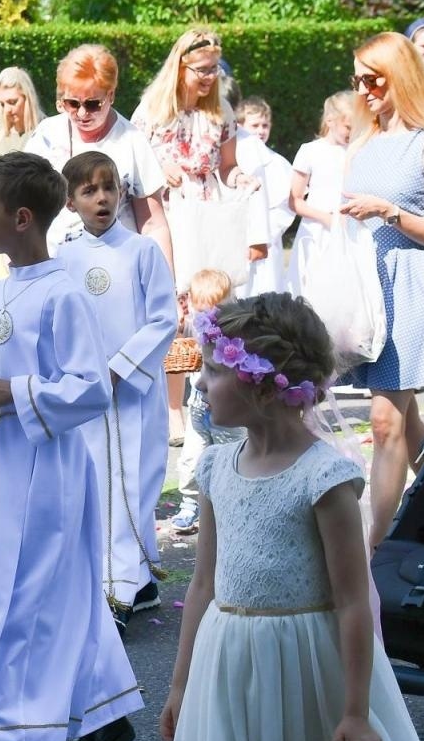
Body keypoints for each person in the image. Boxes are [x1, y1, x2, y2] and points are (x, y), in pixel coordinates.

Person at [155, 293, 424, 741]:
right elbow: (203, 584)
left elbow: (353, 599)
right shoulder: (215, 467)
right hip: (228, 663)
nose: (201, 384)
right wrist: (180, 683)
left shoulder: (324, 477)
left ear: (262, 383)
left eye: (213, 370)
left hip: (311, 665)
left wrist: (356, 710)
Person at [0, 152, 143, 741]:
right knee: (64, 595)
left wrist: (16, 391)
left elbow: (89, 388)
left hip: (49, 473)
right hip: (3, 466)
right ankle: (106, 713)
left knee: (18, 602)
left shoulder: (64, 293)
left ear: (21, 218)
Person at [340, 32, 424, 547]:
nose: (365, 90)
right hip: (370, 287)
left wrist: (389, 210)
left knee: (386, 420)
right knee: (407, 418)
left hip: (411, 283)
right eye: (358, 80)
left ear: (402, 77)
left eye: (374, 79)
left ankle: (376, 552)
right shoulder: (362, 142)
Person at [58, 151, 178, 628]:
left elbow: (163, 318)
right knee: (96, 483)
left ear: (123, 192)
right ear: (70, 202)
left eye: (109, 188)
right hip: (85, 392)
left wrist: (119, 368)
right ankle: (137, 580)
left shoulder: (142, 251)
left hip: (132, 392)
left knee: (130, 483)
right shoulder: (64, 256)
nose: (101, 198)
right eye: (89, 190)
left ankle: (119, 590)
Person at [126, 31, 244, 438]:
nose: (210, 78)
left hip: (207, 213)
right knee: (176, 312)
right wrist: (161, 169)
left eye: (214, 70)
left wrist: (239, 176)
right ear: (180, 67)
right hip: (170, 214)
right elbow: (134, 165)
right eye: (202, 70)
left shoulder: (221, 112)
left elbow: (227, 165)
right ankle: (172, 406)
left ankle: (213, 392)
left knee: (212, 309)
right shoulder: (152, 113)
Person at [29, 43, 174, 259]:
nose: (81, 113)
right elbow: (23, 202)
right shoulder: (46, 135)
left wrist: (165, 286)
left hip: (116, 266)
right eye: (71, 103)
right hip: (56, 266)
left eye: (93, 104)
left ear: (111, 95)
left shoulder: (131, 140)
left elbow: (153, 223)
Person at [169, 270, 245, 534]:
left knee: (230, 459)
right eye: (200, 312)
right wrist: (179, 320)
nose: (208, 319)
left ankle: (232, 505)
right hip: (199, 407)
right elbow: (179, 333)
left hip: (228, 412)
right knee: (192, 459)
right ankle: (190, 503)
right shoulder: (194, 323)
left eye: (215, 312)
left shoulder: (235, 333)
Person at [289, 91, 356, 294]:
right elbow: (295, 200)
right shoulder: (311, 151)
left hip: (349, 228)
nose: (352, 133)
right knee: (313, 287)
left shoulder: (356, 150)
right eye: (348, 127)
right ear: (330, 120)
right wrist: (325, 218)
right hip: (317, 230)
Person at [234, 97, 298, 295]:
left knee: (266, 288)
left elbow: (286, 204)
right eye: (255, 125)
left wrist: (268, 232)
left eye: (265, 125)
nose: (261, 130)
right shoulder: (234, 158)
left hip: (269, 238)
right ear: (240, 125)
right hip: (238, 236)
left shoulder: (277, 162)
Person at [0, 66, 46, 160]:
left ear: (28, 98)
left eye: (12, 102)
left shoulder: (47, 130)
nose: (7, 110)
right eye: (2, 104)